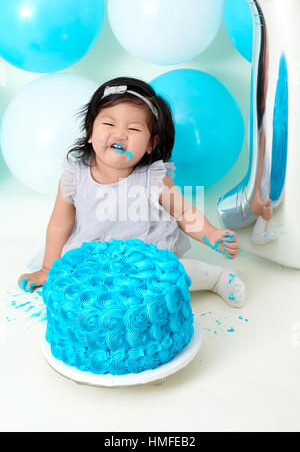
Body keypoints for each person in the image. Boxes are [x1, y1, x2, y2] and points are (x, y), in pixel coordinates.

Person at [18, 76, 245, 308]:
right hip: (96, 257)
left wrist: (211, 233)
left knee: (172, 275)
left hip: (147, 259)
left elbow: (185, 214)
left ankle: (216, 278)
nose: (120, 134)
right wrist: (48, 267)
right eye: (108, 124)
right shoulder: (74, 177)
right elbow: (59, 225)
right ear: (90, 133)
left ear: (151, 144)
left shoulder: (153, 179)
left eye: (134, 128)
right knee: (82, 288)